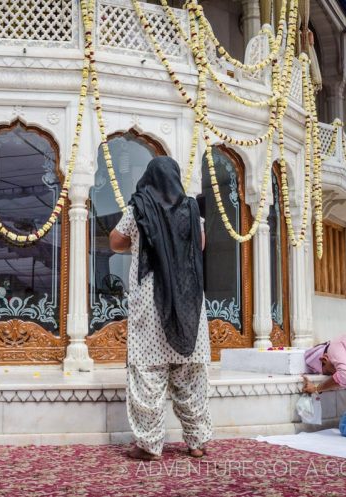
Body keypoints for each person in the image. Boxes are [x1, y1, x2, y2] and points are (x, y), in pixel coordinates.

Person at [109, 156, 212, 461]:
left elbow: (115, 241)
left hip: (151, 298)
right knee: (191, 372)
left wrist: (145, 242)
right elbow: (201, 244)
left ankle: (150, 445)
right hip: (187, 297)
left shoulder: (139, 208)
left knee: (148, 372)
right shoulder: (192, 209)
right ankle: (196, 443)